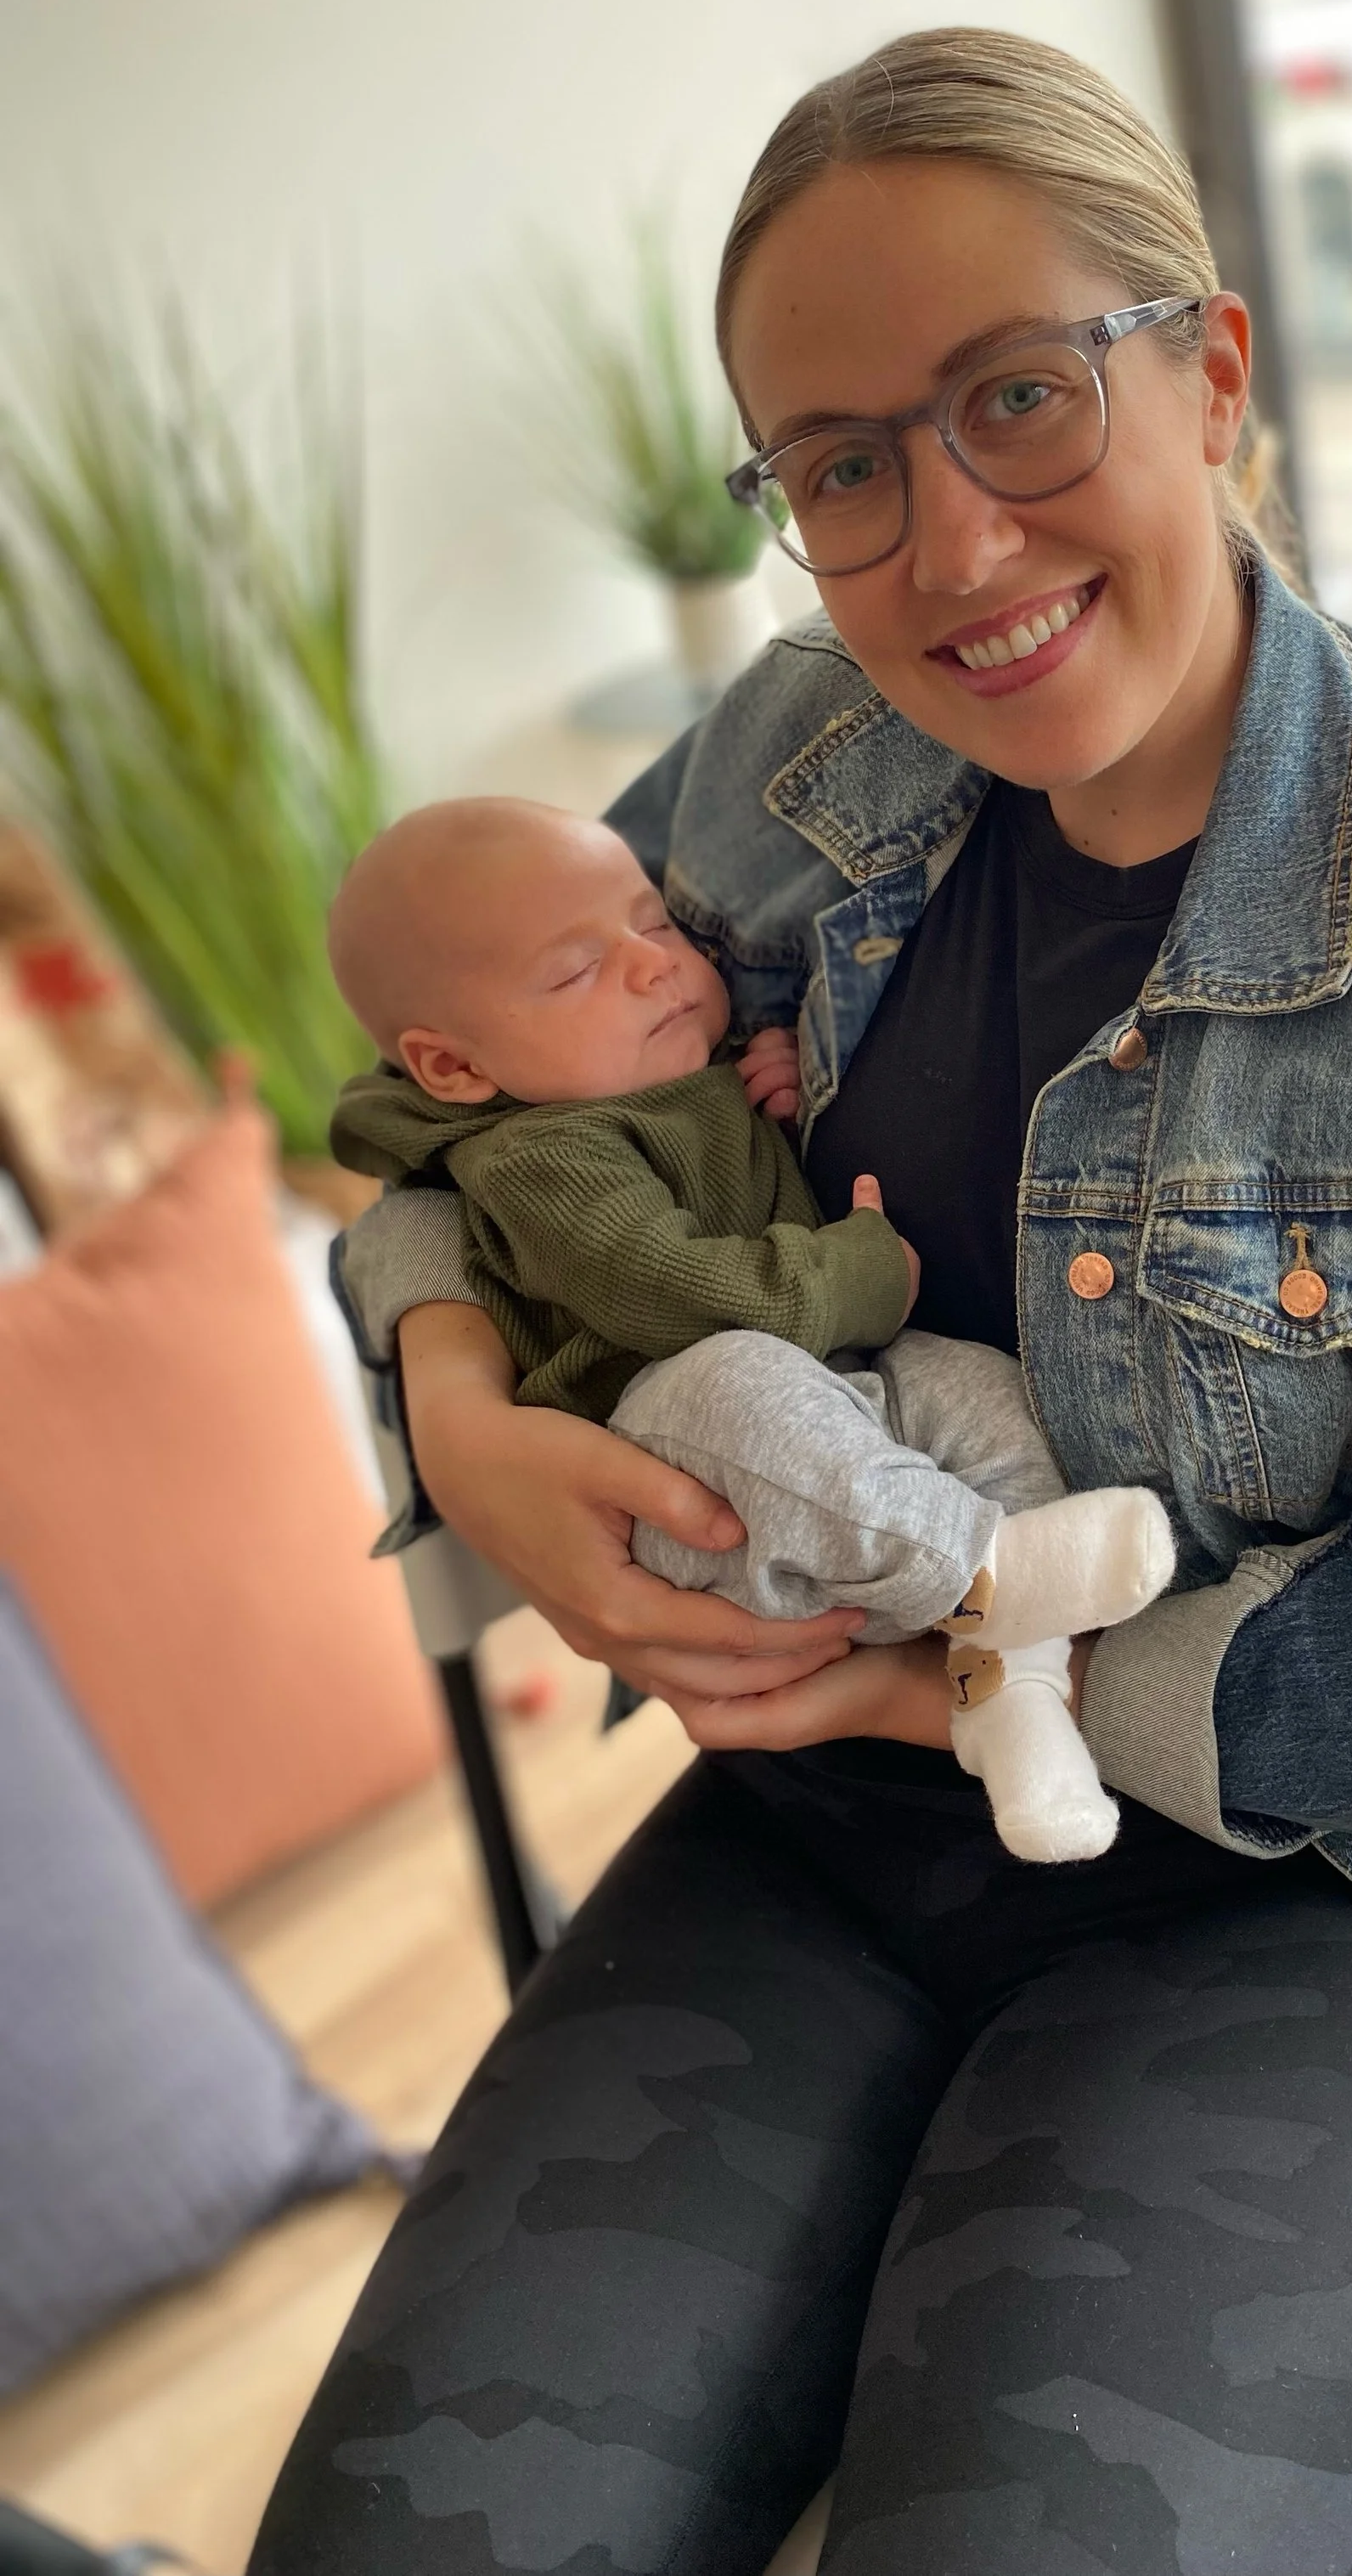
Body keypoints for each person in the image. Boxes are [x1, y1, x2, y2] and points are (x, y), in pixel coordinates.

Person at [251, 27, 1352, 2576]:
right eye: (844, 463)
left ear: (1206, 372)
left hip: (1306, 1897)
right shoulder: (778, 764)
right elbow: (437, 1109)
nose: (947, 551)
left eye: (1015, 399)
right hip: (820, 1848)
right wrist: (461, 1409)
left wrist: (943, 1666)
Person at [324, 795, 1174, 1859]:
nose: (650, 965)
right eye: (576, 970)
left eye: (654, 923)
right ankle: (986, 1573)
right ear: (453, 1069)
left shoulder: (649, 1069)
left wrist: (761, 1075)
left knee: (980, 1392)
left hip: (829, 1412)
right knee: (729, 1377)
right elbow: (677, 1296)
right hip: (690, 1473)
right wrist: (857, 1270)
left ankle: (1018, 1694)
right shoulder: (537, 1159)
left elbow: (712, 1151)